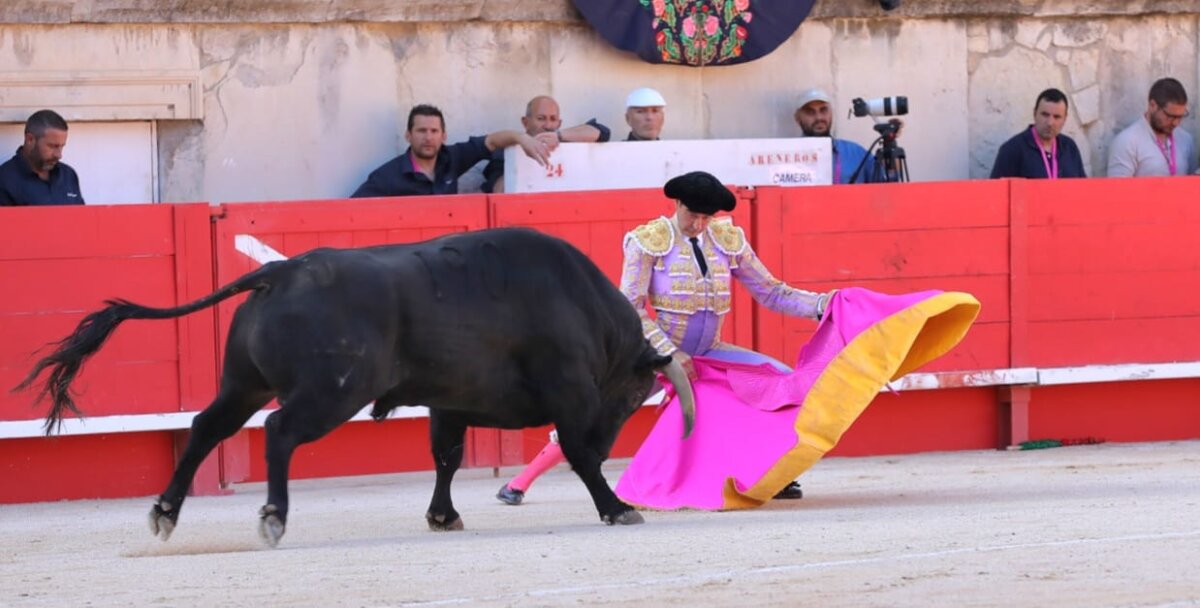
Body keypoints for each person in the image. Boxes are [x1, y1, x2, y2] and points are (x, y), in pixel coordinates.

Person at [496, 171, 827, 506]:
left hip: (710, 351)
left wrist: (822, 305)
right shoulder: (648, 240)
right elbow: (630, 309)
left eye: (706, 217)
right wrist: (668, 354)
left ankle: (772, 475)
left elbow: (772, 293)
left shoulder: (727, 240)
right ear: (677, 203)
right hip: (652, 355)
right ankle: (520, 482)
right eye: (692, 215)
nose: (698, 224)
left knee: (783, 382)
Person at [351, 104, 550, 198]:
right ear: (408, 136)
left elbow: (492, 141)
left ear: (443, 136)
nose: (428, 137)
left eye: (434, 131)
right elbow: (350, 212)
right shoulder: (387, 177)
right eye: (421, 131)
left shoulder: (451, 158)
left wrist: (521, 138)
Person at [481, 95, 611, 193]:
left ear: (559, 123)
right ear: (525, 122)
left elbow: (601, 132)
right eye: (541, 119)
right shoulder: (507, 152)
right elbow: (498, 192)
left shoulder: (567, 141)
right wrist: (521, 156)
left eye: (553, 119)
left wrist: (559, 136)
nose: (548, 125)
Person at [793, 87, 889, 184]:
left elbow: (886, 186)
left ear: (831, 113)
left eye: (823, 110)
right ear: (797, 118)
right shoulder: (787, 156)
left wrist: (890, 145)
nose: (819, 117)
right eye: (810, 112)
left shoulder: (857, 154)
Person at [1107, 77, 1197, 177]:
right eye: (1170, 116)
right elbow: (1117, 190)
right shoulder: (1126, 142)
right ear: (1152, 105)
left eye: (1180, 117)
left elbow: (1193, 186)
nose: (1176, 123)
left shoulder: (1186, 139)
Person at [989, 88, 1087, 179]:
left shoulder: (1070, 147)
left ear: (1065, 119)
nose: (1050, 123)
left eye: (1057, 117)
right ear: (1035, 113)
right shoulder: (1012, 149)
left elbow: (1082, 189)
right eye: (1045, 115)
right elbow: (996, 193)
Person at [0, 109, 84, 206]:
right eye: (52, 146)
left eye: (62, 146)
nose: (59, 155)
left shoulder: (68, 175)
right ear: (30, 139)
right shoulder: (5, 180)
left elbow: (81, 218)